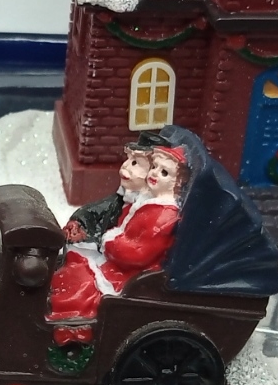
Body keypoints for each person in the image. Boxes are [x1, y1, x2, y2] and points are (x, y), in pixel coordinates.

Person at [47, 144, 188, 344]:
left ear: (178, 182)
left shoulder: (164, 216)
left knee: (84, 287)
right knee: (75, 266)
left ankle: (74, 328)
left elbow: (138, 253)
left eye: (164, 173)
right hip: (118, 261)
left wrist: (110, 242)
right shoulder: (147, 202)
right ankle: (57, 303)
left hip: (131, 272)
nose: (155, 173)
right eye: (154, 167)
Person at [62, 132, 164, 244]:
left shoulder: (150, 214)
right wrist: (79, 223)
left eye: (134, 163)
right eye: (128, 159)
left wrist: (97, 242)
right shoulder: (122, 199)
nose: (125, 165)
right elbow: (97, 209)